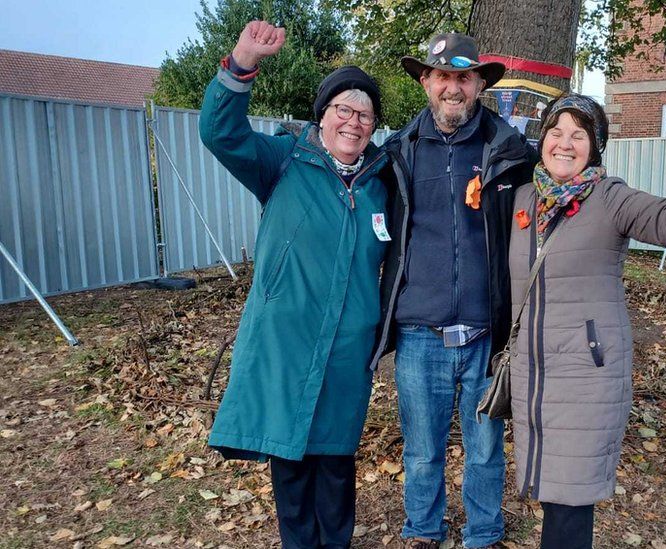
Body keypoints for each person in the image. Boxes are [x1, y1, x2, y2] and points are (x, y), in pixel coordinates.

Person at [507, 88, 666, 548]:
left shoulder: (609, 198)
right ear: (542, 140)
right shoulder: (523, 201)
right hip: (533, 373)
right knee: (549, 492)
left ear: (595, 147)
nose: (565, 143)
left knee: (570, 502)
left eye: (578, 135)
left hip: (586, 375)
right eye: (556, 132)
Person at [199, 20, 397, 549]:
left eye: (364, 114)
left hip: (346, 349)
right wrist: (240, 66)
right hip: (285, 343)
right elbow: (221, 133)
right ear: (324, 114)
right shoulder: (284, 161)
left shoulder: (384, 183)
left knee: (334, 463)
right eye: (343, 110)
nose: (353, 122)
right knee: (289, 458)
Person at [367, 33, 536, 549]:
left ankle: (483, 533)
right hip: (419, 330)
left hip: (489, 332)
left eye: (464, 78)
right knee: (421, 450)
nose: (453, 88)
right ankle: (423, 529)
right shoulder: (396, 153)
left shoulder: (510, 152)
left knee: (485, 447)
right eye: (442, 76)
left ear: (480, 84)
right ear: (426, 81)